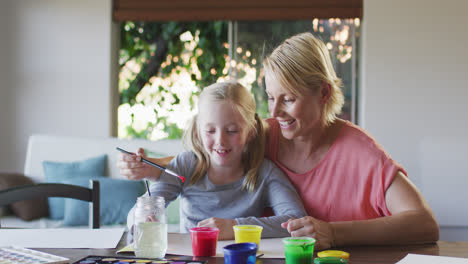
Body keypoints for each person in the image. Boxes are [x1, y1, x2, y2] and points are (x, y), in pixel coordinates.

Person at [263, 32, 439, 249]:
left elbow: (424, 223)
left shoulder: (360, 151)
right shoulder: (259, 139)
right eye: (271, 98)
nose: (275, 112)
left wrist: (333, 233)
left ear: (324, 93)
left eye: (288, 99)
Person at [119, 81, 306, 240]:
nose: (220, 141)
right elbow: (136, 214)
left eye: (232, 131)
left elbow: (297, 220)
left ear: (251, 131)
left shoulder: (264, 172)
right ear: (198, 131)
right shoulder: (185, 165)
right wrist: (140, 219)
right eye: (210, 131)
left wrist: (235, 228)